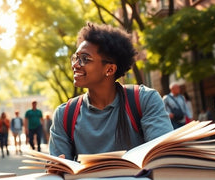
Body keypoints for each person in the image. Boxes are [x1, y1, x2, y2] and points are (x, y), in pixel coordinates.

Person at [49, 22, 173, 161]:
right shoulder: (64, 115)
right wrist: (56, 170)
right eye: (75, 58)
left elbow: (163, 156)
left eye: (84, 59)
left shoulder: (145, 100)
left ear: (109, 69)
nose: (75, 65)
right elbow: (58, 168)